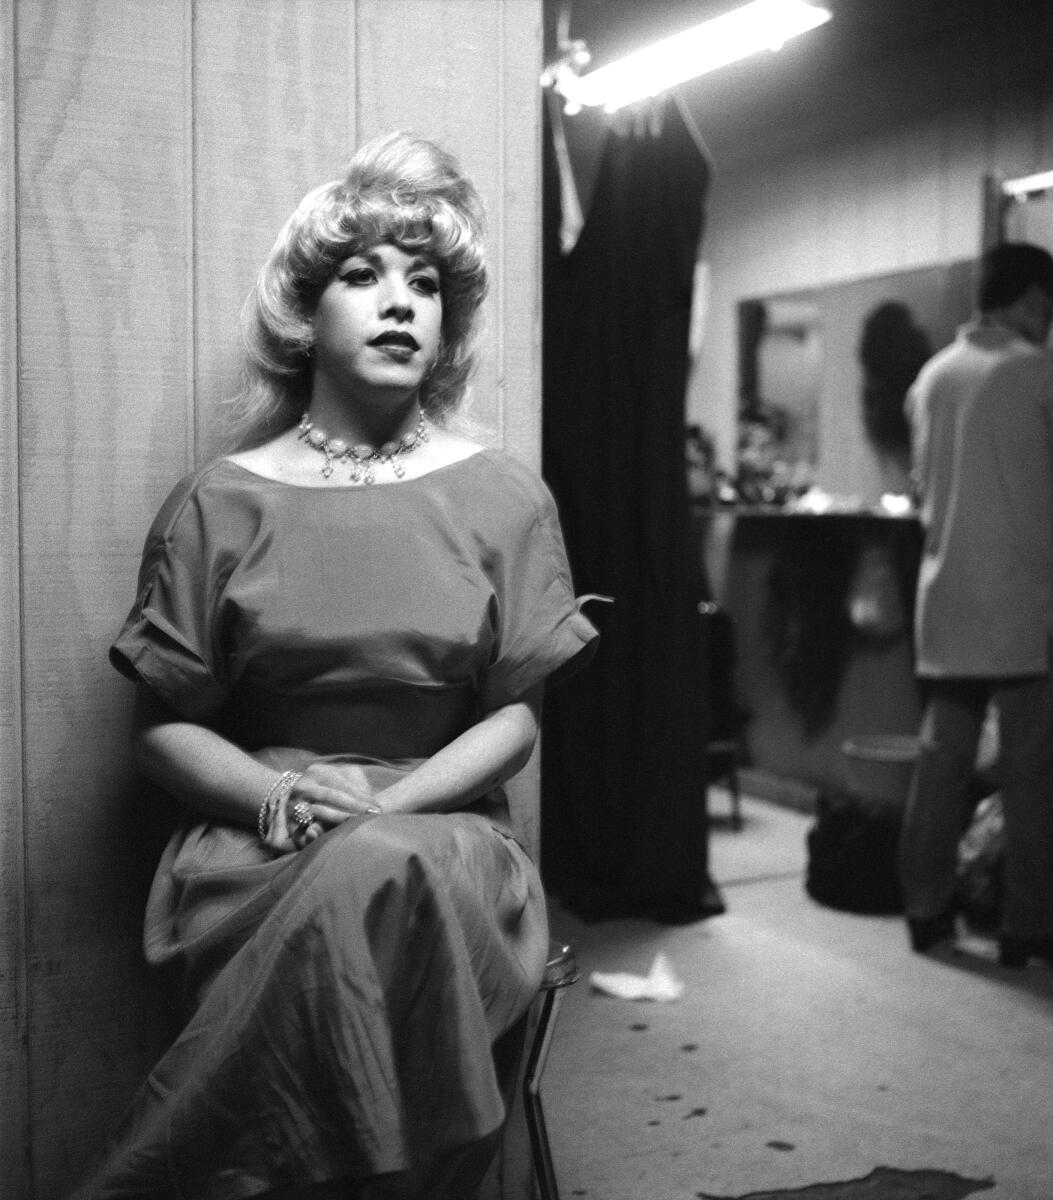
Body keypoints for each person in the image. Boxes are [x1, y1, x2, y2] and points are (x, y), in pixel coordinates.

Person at [77, 131, 598, 1199]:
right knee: (358, 877)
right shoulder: (218, 503)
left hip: (448, 836)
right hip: (257, 843)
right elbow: (162, 726)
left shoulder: (506, 497)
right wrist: (276, 796)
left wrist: (391, 804)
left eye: (427, 284)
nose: (402, 301)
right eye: (364, 277)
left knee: (383, 867)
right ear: (304, 314)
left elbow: (517, 718)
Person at [899, 241, 1053, 970]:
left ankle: (926, 911)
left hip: (948, 599)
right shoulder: (1043, 370)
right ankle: (1032, 926)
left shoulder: (930, 379)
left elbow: (923, 487)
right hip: (1023, 606)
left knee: (941, 761)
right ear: (1026, 300)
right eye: (1047, 306)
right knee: (1031, 772)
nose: (1050, 321)